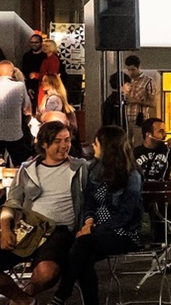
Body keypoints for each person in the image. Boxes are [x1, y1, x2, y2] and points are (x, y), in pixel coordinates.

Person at [0, 122, 89, 305]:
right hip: (26, 226)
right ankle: (23, 300)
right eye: (58, 141)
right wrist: (5, 229)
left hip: (59, 229)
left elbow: (96, 197)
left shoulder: (80, 168)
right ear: (44, 144)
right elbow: (11, 203)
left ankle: (27, 293)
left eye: (67, 140)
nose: (64, 145)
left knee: (46, 272)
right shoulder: (27, 170)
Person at [49, 126, 141, 305]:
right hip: (94, 229)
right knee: (84, 256)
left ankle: (62, 294)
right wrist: (88, 222)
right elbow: (89, 201)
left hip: (123, 232)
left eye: (96, 143)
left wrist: (93, 229)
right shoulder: (95, 168)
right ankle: (70, 298)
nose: (93, 146)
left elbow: (125, 215)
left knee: (83, 245)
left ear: (107, 147)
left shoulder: (132, 176)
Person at [0, 59, 33, 168]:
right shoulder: (20, 87)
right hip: (14, 133)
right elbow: (26, 107)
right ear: (12, 72)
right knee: (19, 165)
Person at [133, 117, 171, 181]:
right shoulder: (135, 153)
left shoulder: (168, 150)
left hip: (162, 186)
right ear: (148, 135)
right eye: (161, 132)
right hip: (141, 187)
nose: (165, 135)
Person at [122, 55, 158, 145]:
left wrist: (136, 101)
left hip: (139, 119)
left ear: (138, 67)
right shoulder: (125, 80)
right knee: (125, 144)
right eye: (128, 70)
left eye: (133, 70)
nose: (130, 72)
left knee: (138, 143)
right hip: (124, 117)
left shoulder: (148, 81)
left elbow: (153, 103)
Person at [21, 32, 47, 105]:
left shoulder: (45, 56)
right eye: (32, 42)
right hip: (30, 87)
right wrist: (28, 87)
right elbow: (24, 72)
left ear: (41, 43)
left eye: (36, 42)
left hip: (43, 86)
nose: (33, 44)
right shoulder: (26, 56)